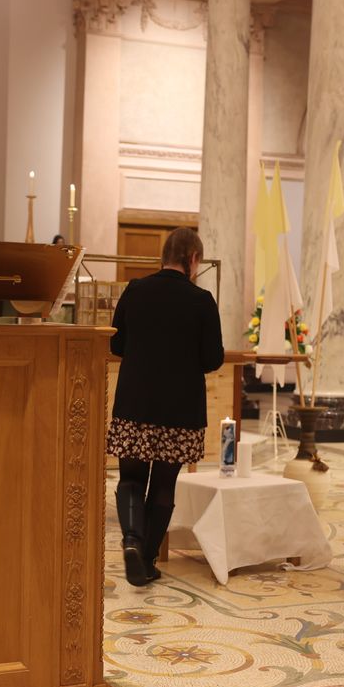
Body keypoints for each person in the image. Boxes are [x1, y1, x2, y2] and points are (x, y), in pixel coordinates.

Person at [106, 227, 224, 587]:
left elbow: (116, 344)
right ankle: (146, 559)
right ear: (193, 259)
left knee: (131, 478)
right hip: (180, 410)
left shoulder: (135, 291)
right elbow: (213, 358)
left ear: (164, 256)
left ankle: (131, 540)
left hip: (134, 403)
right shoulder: (202, 300)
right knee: (163, 484)